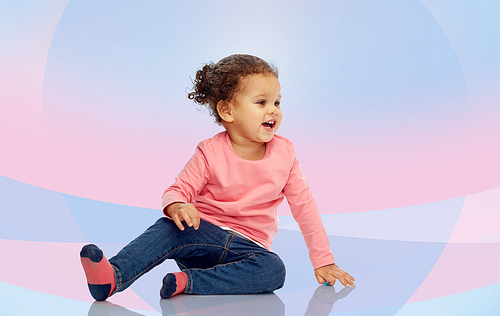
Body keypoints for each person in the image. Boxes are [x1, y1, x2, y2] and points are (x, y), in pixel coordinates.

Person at [80, 54, 355, 302]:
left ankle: (187, 283)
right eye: (261, 103)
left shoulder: (286, 154)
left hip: (248, 250)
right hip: (202, 235)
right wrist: (178, 206)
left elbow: (305, 208)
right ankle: (113, 275)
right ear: (227, 111)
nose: (273, 110)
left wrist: (323, 261)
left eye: (277, 102)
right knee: (167, 227)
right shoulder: (210, 151)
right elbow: (179, 188)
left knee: (274, 271)